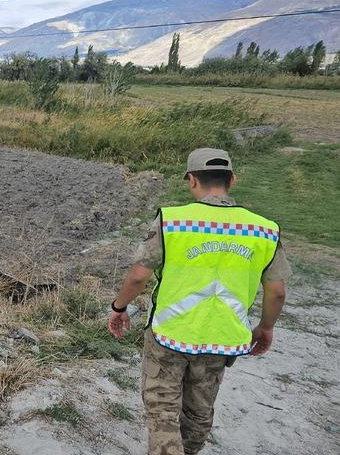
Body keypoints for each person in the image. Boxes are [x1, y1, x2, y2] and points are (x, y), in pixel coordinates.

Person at [107, 148, 291, 455]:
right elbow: (277, 292)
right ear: (231, 180)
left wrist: (119, 308)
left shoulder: (173, 221)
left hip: (169, 335)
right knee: (199, 411)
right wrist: (266, 327)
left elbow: (139, 276)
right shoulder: (264, 230)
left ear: (192, 180)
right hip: (221, 340)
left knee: (162, 410)